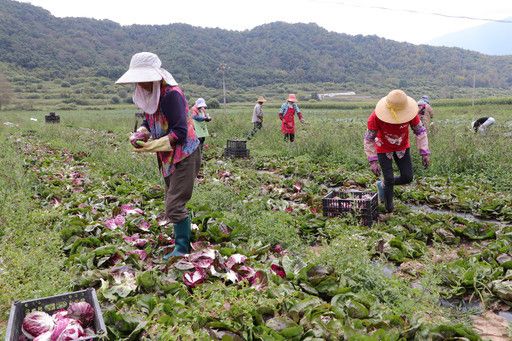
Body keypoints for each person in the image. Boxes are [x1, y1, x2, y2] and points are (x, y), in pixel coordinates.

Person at [117, 52, 201, 259]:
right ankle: (183, 236)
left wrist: (151, 146)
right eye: (138, 79)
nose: (141, 83)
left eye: (144, 78)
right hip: (167, 155)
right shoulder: (149, 95)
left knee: (174, 204)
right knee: (172, 199)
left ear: (155, 76)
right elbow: (149, 121)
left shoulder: (171, 95)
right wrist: (142, 133)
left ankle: (182, 249)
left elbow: (180, 132)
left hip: (183, 154)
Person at [363, 89, 431, 213]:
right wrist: (372, 161)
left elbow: (420, 131)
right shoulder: (375, 117)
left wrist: (424, 152)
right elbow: (369, 139)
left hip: (402, 146)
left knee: (407, 177)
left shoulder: (411, 114)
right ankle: (389, 209)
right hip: (383, 147)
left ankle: (383, 184)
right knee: (389, 179)